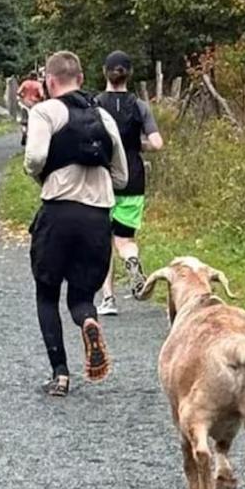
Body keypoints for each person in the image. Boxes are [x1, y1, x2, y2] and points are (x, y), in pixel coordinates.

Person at [24, 51, 128, 398]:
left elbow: (35, 158)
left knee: (47, 292)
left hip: (58, 213)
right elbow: (123, 176)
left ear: (50, 82)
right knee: (82, 296)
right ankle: (88, 321)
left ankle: (61, 374)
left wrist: (44, 174)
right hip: (97, 217)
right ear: (81, 79)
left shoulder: (45, 111)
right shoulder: (103, 117)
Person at [94, 50, 164, 317]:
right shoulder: (140, 106)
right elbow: (157, 143)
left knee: (102, 241)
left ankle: (109, 299)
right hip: (134, 178)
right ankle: (131, 260)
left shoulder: (95, 104)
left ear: (105, 72)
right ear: (129, 74)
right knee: (125, 238)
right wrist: (136, 145)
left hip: (102, 179)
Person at [17, 69, 45, 147]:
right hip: (34, 104)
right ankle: (33, 138)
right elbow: (41, 95)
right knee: (35, 122)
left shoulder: (25, 83)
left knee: (24, 121)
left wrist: (23, 97)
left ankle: (24, 132)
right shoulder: (38, 85)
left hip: (24, 104)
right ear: (36, 77)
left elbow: (18, 92)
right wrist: (40, 100)